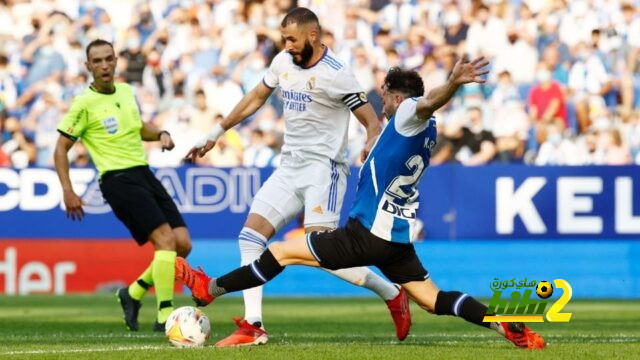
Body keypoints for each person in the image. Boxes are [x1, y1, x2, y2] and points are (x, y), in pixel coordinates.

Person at [177, 56, 546, 350]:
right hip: (396, 241)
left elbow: (428, 101)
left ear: (398, 97)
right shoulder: (423, 131)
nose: (379, 102)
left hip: (367, 233)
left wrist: (451, 83)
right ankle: (503, 324)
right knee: (434, 301)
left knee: (279, 252)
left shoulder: (409, 112)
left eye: (384, 95)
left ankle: (209, 290)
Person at [186, 7, 409, 346]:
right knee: (249, 237)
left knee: (324, 253)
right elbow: (256, 97)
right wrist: (216, 132)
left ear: (313, 36)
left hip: (325, 171)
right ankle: (253, 326)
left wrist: (370, 142)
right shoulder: (282, 63)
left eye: (292, 39)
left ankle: (391, 293)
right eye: (284, 39)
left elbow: (372, 122)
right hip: (289, 166)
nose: (287, 45)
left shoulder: (337, 73)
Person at [53, 39, 191, 332]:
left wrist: (161, 135)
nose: (104, 66)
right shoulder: (84, 104)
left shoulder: (127, 91)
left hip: (143, 172)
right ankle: (165, 316)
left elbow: (138, 127)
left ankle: (133, 293)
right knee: (165, 241)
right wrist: (67, 190)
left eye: (108, 59)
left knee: (182, 245)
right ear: (88, 66)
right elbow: (60, 148)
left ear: (116, 61)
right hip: (117, 179)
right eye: (97, 61)